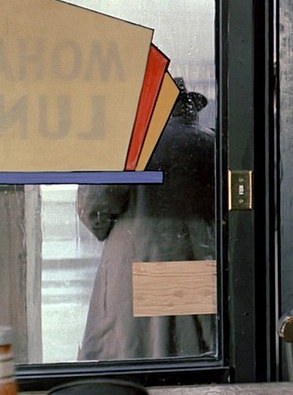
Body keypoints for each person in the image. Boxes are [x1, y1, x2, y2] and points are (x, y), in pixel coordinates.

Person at [76, 78, 215, 360]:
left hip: (134, 264)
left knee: (134, 355)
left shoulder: (132, 143)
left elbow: (94, 209)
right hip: (196, 267)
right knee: (189, 356)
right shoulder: (211, 143)